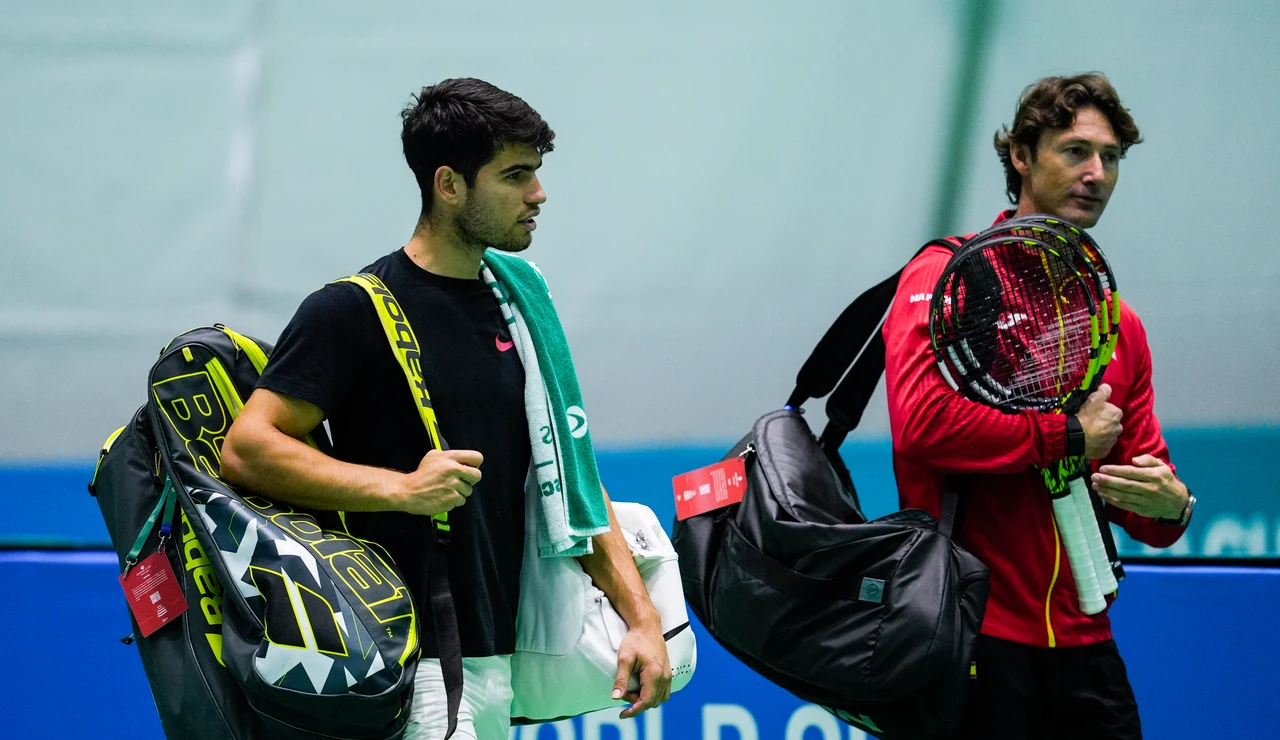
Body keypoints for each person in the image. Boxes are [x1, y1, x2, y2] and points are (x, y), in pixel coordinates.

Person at [221, 77, 671, 740]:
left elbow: (571, 476)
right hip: (406, 663)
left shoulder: (518, 303)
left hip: (494, 659)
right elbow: (248, 448)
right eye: (515, 175)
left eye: (537, 173)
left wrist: (642, 619)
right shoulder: (352, 310)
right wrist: (402, 489)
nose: (538, 194)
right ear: (449, 185)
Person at [882, 73, 1194, 739]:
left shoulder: (1119, 324)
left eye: (1110, 158)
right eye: (1075, 151)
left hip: (1085, 642)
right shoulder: (946, 278)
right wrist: (1065, 437)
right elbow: (922, 424)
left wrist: (1169, 508)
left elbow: (1138, 481)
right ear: (1022, 156)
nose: (1096, 174)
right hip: (971, 631)